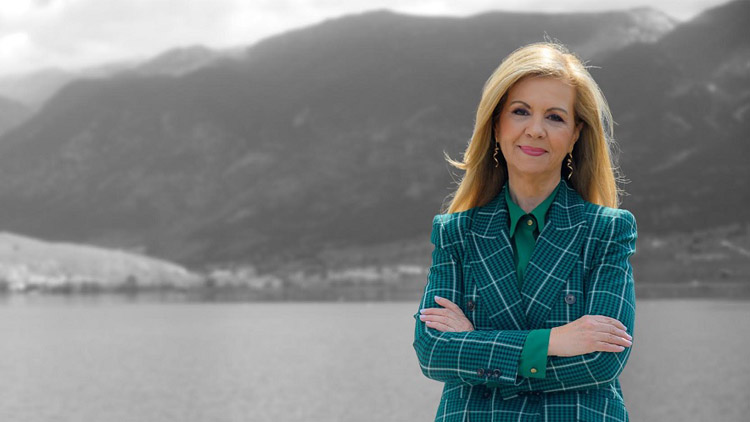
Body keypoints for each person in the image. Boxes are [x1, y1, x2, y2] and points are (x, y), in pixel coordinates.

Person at [412, 41, 638, 422]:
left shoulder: (607, 231)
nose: (535, 130)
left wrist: (474, 344)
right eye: (520, 112)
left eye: (555, 117)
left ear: (575, 134)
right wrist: (553, 341)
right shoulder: (455, 234)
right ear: (496, 125)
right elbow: (433, 352)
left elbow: (602, 360)